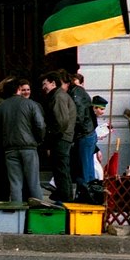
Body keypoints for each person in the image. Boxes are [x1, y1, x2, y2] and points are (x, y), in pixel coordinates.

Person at [0, 78, 46, 203]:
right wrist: (38, 140)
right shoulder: (31, 104)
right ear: (18, 89)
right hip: (29, 146)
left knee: (15, 183)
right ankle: (37, 213)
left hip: (10, 149)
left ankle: (17, 213)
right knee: (33, 182)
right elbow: (40, 125)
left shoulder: (0, 107)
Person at [40, 71, 76, 204]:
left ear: (53, 83)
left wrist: (51, 137)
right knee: (60, 168)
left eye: (45, 84)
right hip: (63, 137)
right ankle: (64, 196)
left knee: (61, 169)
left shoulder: (58, 96)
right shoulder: (59, 95)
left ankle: (65, 198)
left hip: (61, 138)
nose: (43, 87)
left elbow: (61, 121)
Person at [0, 75, 18, 202]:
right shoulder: (1, 103)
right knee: (2, 173)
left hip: (4, 142)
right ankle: (2, 198)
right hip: (4, 144)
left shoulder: (2, 102)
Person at [68, 71, 97, 191]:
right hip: (89, 132)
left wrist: (73, 131)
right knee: (88, 166)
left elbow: (79, 116)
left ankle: (87, 192)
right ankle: (92, 191)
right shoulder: (82, 93)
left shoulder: (77, 93)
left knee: (85, 166)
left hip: (84, 133)